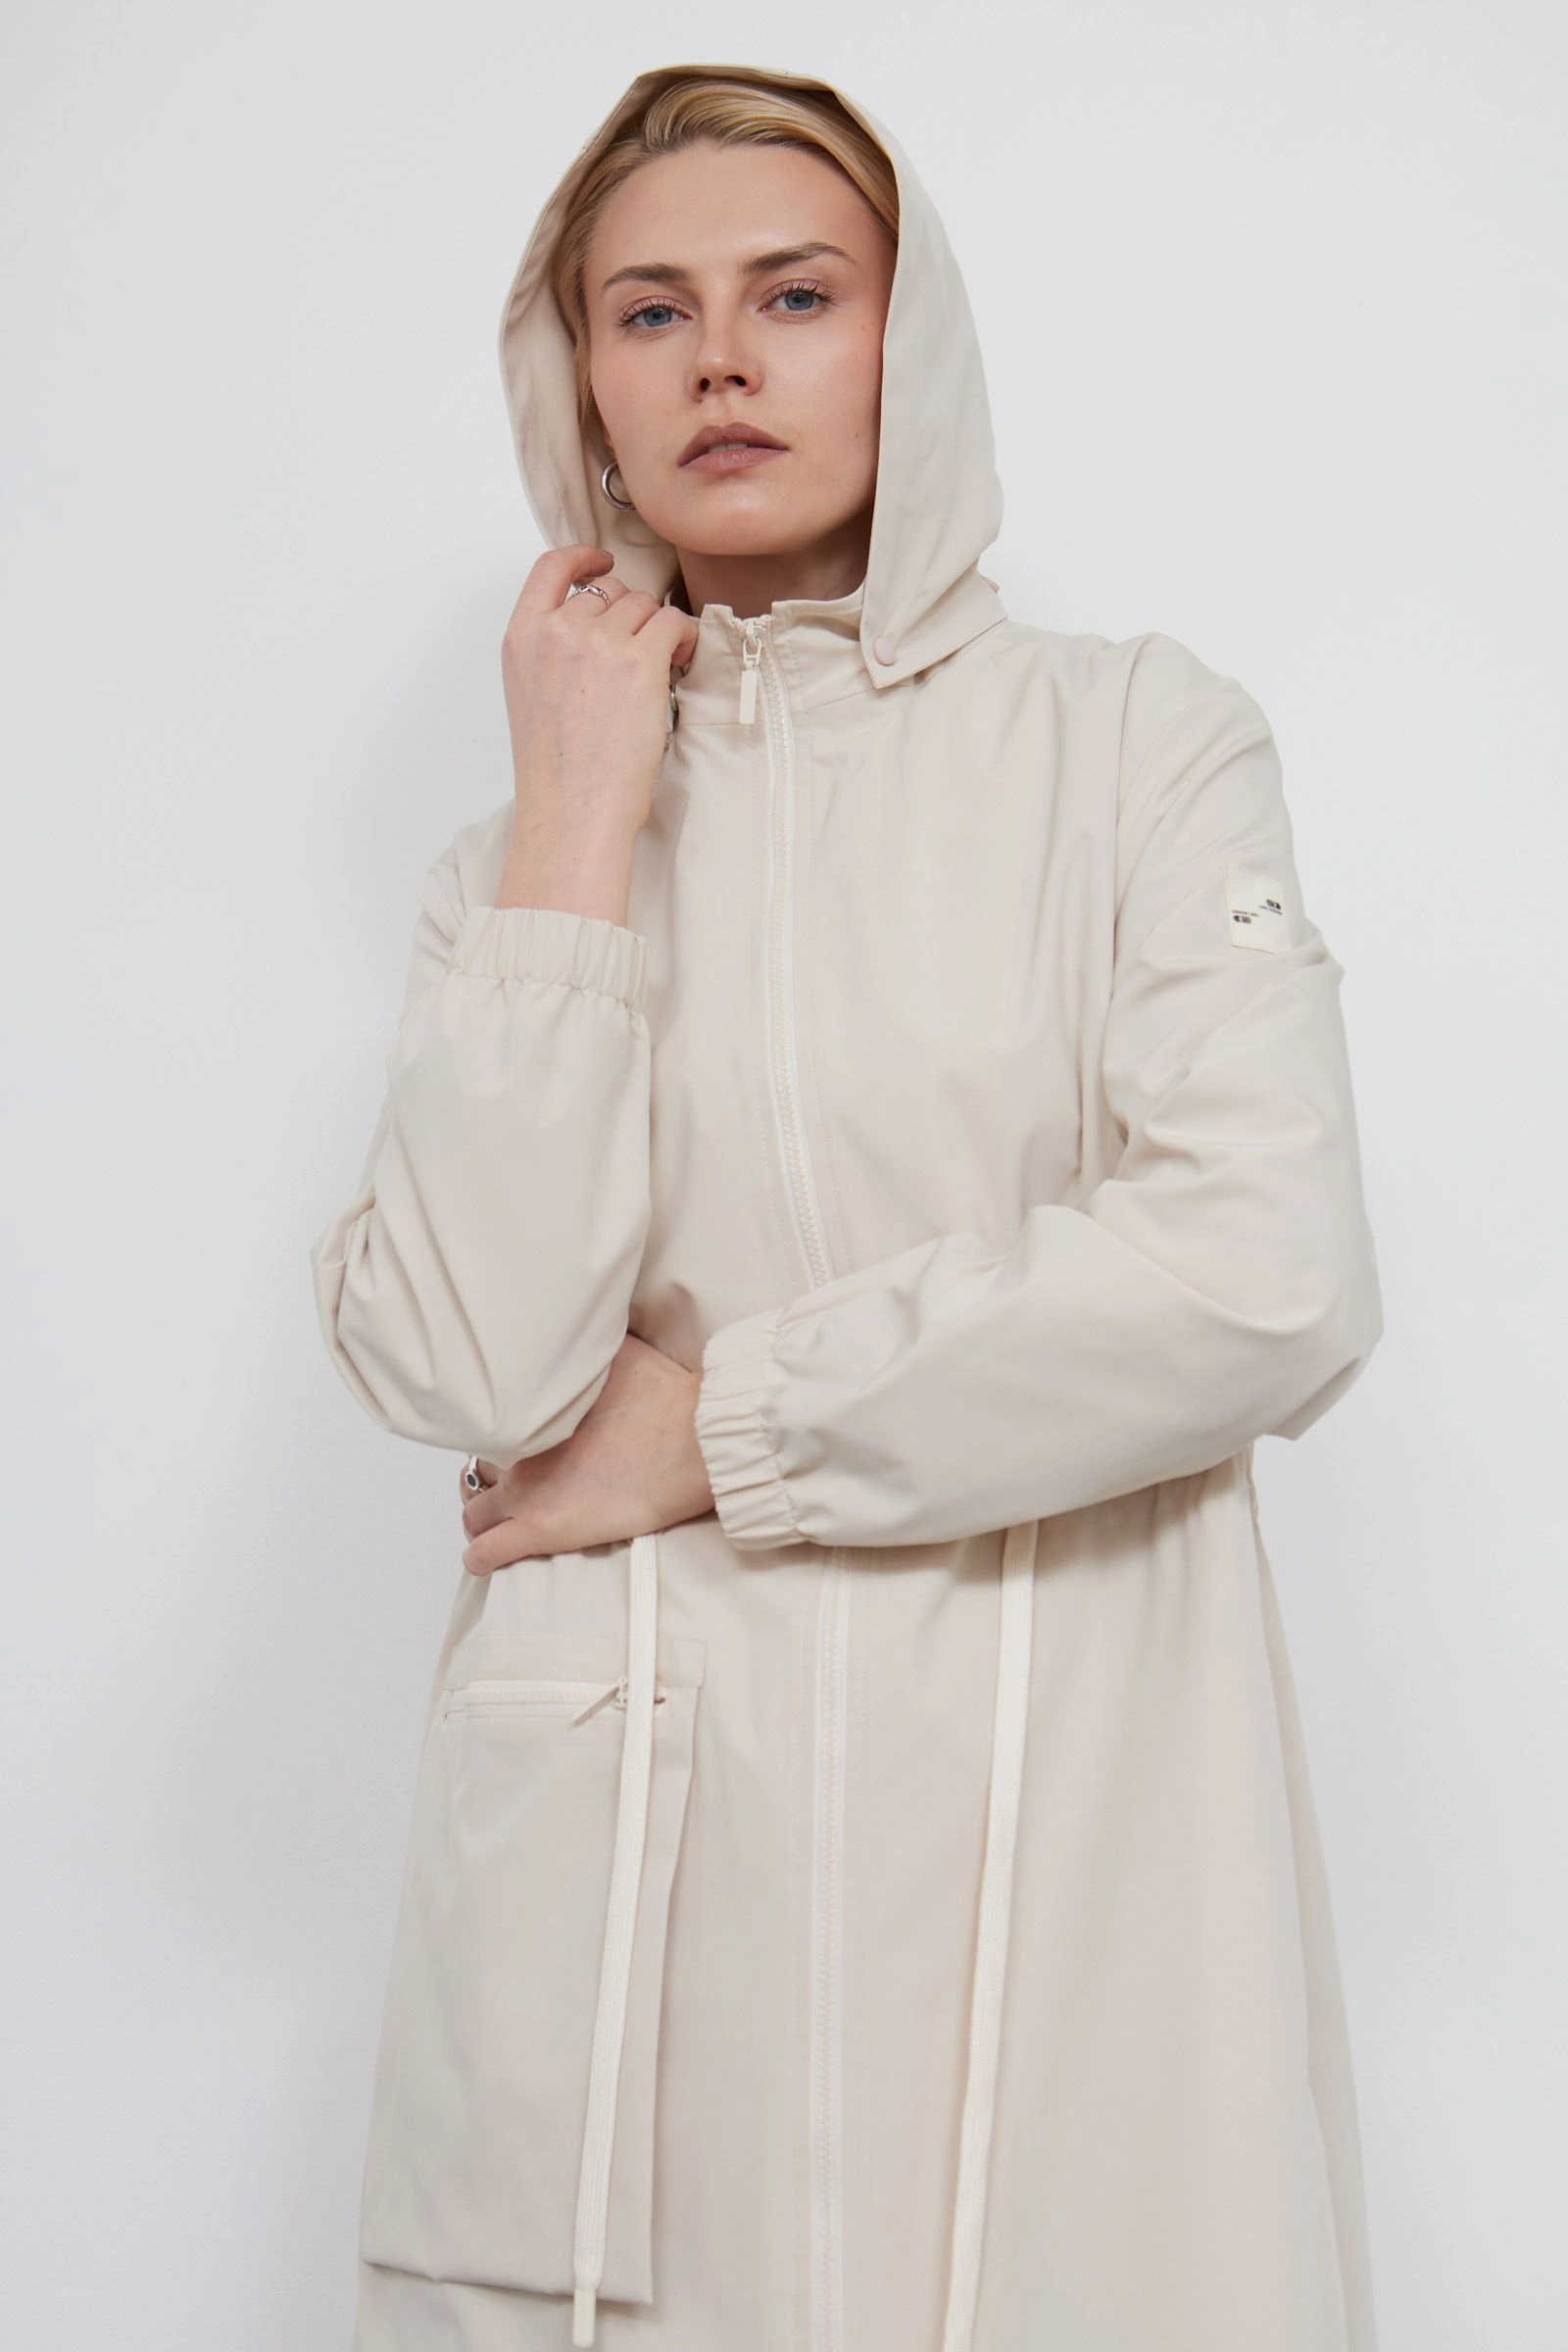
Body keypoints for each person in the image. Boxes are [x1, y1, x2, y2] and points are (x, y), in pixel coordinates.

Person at [310, 60, 1386, 2352]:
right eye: (646, 313)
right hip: (632, 1926)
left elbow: (1261, 1267)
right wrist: (575, 827)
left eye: (794, 295)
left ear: (918, 341)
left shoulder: (1132, 747)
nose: (719, 360)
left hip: (1063, 1841)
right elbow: (472, 1367)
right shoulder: (509, 867)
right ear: (581, 391)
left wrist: (725, 1431)